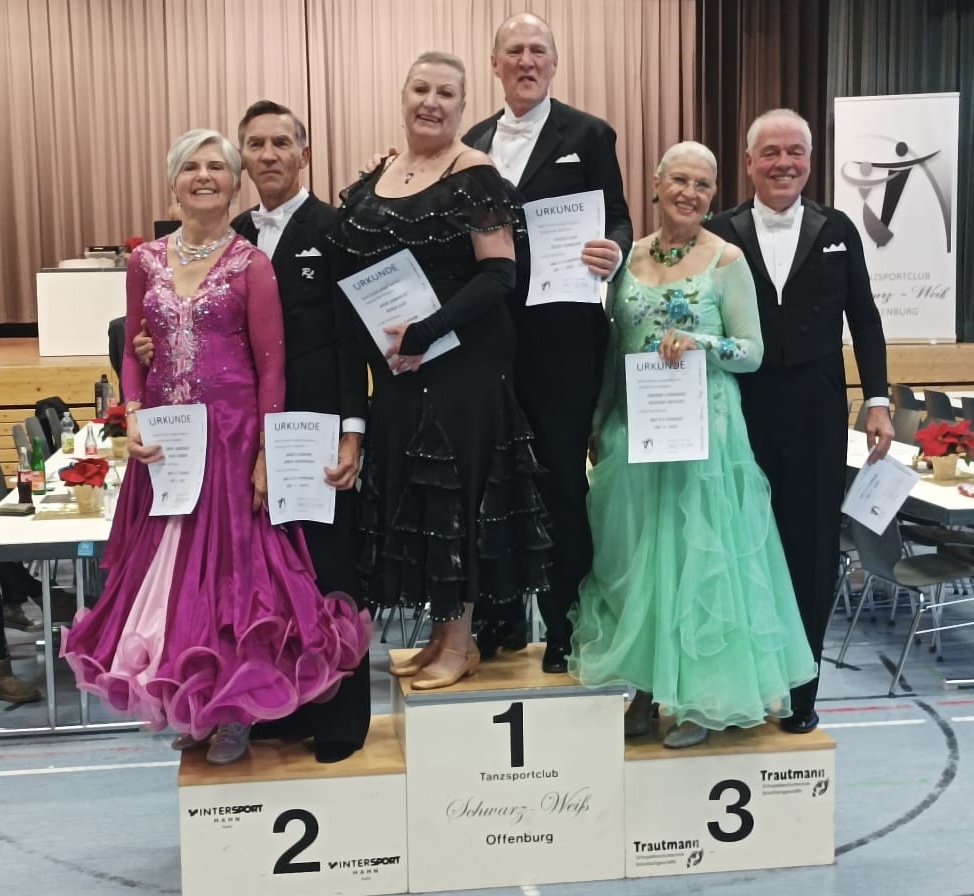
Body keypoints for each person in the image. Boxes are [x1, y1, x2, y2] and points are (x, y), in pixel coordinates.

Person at [62, 129, 370, 765]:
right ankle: (194, 697)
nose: (204, 176)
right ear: (173, 182)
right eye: (191, 167)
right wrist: (134, 414)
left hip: (231, 437)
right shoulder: (145, 261)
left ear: (234, 184)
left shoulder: (250, 263)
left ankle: (234, 711)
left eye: (216, 167)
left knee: (234, 576)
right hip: (169, 441)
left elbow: (271, 365)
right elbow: (132, 349)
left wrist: (264, 450)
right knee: (173, 576)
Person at [569, 141, 817, 748]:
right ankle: (643, 688)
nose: (690, 192)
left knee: (697, 564)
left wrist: (702, 344)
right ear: (656, 184)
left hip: (706, 435)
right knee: (635, 563)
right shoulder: (628, 257)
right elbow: (615, 348)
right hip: (636, 430)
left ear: (714, 194)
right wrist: (599, 418)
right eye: (679, 180)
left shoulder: (727, 259)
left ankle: (701, 698)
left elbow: (752, 352)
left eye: (703, 185)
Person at [330, 51, 551, 690]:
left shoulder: (476, 174)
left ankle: (460, 641)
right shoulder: (380, 175)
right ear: (403, 97)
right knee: (419, 496)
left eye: (446, 93)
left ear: (463, 105)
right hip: (399, 368)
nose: (431, 102)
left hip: (463, 366)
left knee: (458, 495)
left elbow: (500, 273)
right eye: (421, 89)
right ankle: (442, 635)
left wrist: (427, 332)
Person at [707, 109, 893, 734]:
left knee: (810, 552)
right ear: (749, 162)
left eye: (795, 152)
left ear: (810, 161)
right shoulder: (719, 230)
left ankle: (801, 694)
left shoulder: (837, 228)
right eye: (771, 152)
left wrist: (877, 400)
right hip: (740, 409)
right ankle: (737, 690)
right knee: (739, 546)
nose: (783, 163)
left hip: (817, 412)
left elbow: (864, 318)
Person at [463, 13, 633, 672]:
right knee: (493, 482)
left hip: (562, 341)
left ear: (554, 63)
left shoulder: (588, 134)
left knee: (561, 483)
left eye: (538, 50)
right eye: (515, 51)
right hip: (489, 340)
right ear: (496, 64)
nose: (527, 61)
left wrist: (613, 249)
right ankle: (501, 618)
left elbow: (617, 217)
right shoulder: (471, 142)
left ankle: (566, 624)